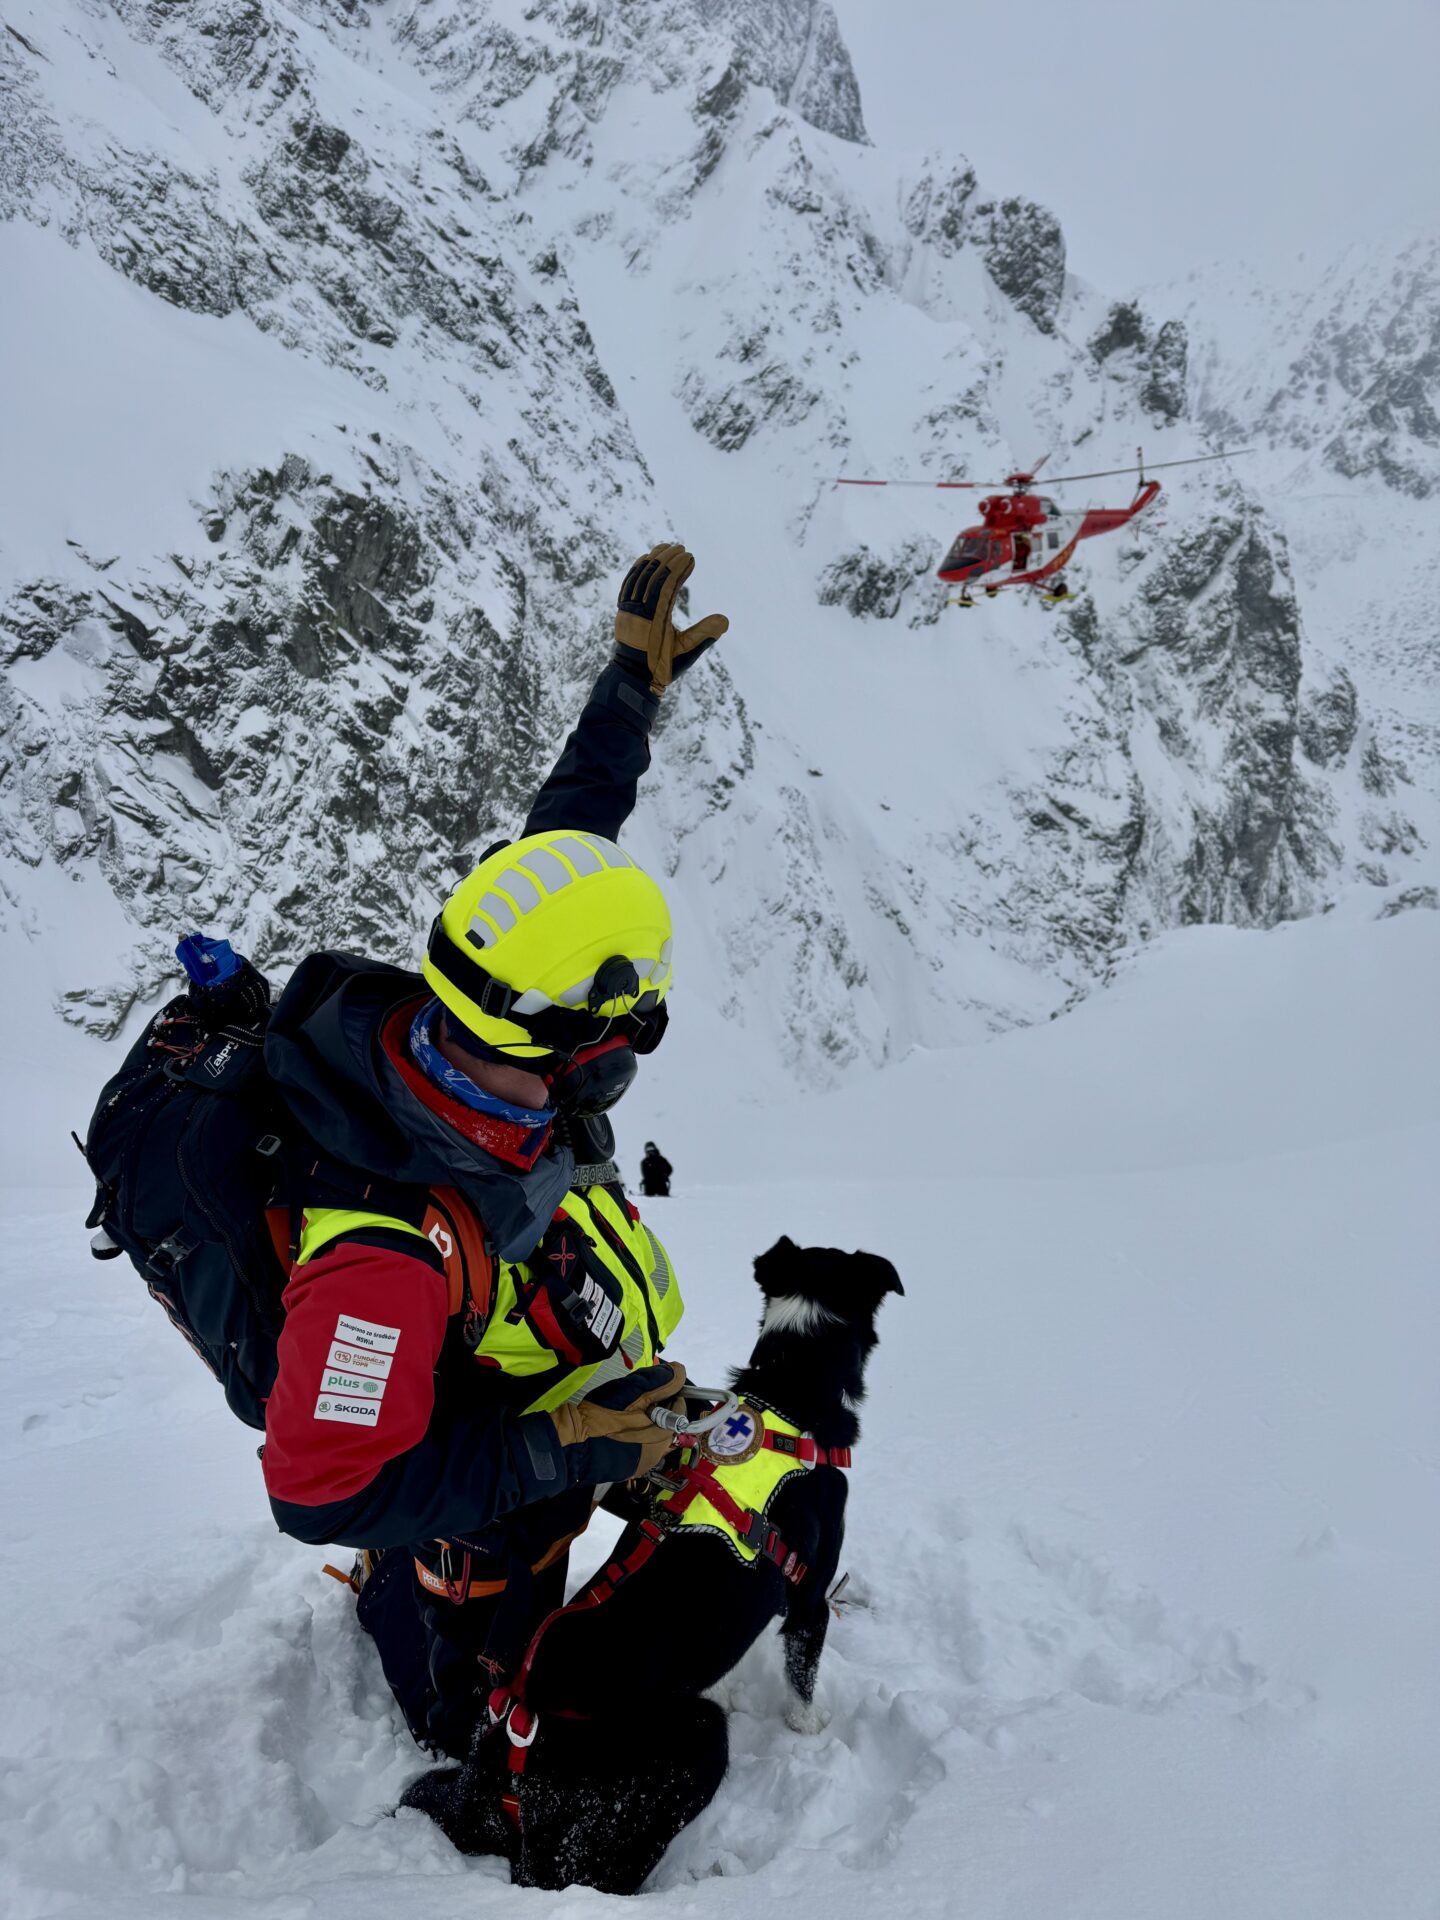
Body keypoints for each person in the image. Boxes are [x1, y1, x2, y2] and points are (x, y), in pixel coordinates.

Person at [258, 542, 729, 1762]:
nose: (629, 1051)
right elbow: (316, 1487)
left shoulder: (491, 1013)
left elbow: (561, 846)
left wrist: (629, 694)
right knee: (479, 1700)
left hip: (538, 1375)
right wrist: (556, 1447)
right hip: (475, 1491)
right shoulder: (382, 1257)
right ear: (580, 1039)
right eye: (629, 1028)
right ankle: (410, 1630)